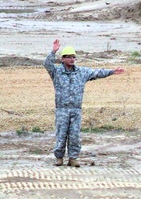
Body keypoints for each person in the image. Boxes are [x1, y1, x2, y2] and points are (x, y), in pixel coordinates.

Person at [43, 39, 125, 167]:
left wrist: (112, 71)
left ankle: (73, 158)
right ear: (62, 59)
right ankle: (59, 158)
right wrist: (53, 51)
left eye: (73, 57)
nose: (71, 59)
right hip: (62, 110)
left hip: (76, 110)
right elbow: (47, 64)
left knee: (74, 135)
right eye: (68, 57)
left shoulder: (81, 72)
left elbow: (97, 73)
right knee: (61, 134)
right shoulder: (57, 72)